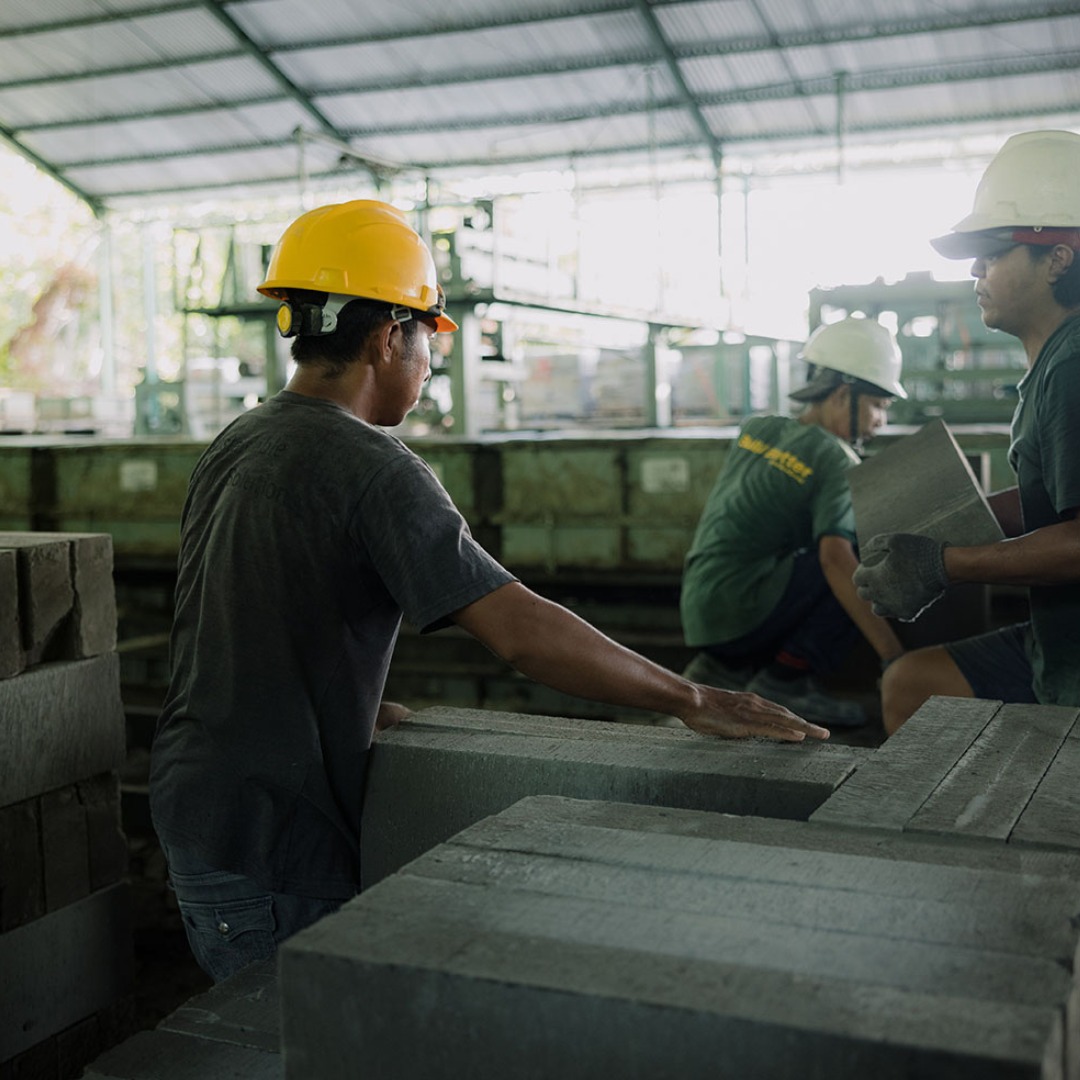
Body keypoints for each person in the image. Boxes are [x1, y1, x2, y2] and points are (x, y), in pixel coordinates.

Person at [149, 199, 828, 984]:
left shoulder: (241, 439)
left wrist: (342, 706)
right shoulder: (374, 466)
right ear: (384, 337)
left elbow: (234, 610)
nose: (430, 364)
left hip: (196, 803)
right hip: (271, 835)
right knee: (297, 1045)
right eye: (427, 341)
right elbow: (519, 631)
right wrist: (691, 700)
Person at [853, 129, 1080, 735]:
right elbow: (1052, 505)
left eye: (995, 252)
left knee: (914, 689)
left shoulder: (1074, 365)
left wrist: (945, 562)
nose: (976, 269)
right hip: (1058, 637)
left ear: (1058, 256)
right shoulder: (1054, 362)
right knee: (912, 682)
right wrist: (953, 520)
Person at [679, 316, 907, 727]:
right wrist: (895, 657)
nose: (880, 421)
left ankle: (722, 669)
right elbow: (835, 561)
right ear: (842, 394)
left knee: (799, 555)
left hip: (702, 604)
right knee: (857, 558)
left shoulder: (758, 427)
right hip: (741, 613)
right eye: (877, 405)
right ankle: (787, 680)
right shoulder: (837, 460)